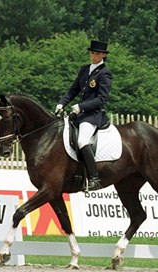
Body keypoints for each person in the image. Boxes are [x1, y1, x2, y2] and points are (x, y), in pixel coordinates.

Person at [55, 40, 112, 191]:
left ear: (103, 55)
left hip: (92, 115)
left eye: (97, 54)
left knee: (82, 141)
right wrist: (62, 103)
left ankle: (94, 178)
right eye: (92, 53)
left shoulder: (104, 73)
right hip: (78, 114)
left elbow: (101, 99)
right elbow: (73, 90)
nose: (93, 56)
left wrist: (81, 106)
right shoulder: (84, 70)